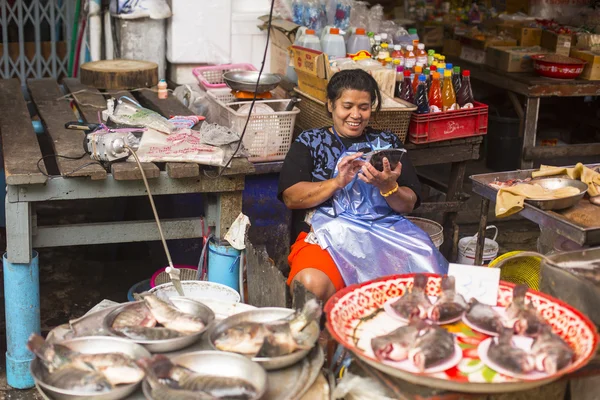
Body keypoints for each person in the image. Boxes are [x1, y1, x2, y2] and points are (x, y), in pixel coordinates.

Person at [278, 69, 448, 302]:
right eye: (347, 106)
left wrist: (389, 187)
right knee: (310, 286)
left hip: (383, 234)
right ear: (331, 105)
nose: (355, 115)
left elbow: (408, 203)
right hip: (328, 237)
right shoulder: (310, 142)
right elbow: (291, 197)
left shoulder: (387, 144)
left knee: (426, 285)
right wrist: (338, 182)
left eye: (364, 107)